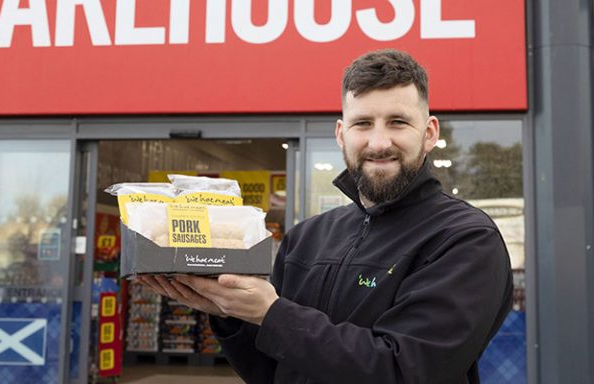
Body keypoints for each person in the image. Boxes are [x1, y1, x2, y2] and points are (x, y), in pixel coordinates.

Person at [139, 49, 513, 383]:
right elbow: (270, 370)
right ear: (341, 134)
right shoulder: (307, 237)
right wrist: (229, 312)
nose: (379, 142)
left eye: (398, 122)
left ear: (429, 132)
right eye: (362, 123)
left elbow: (406, 369)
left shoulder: (464, 239)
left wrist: (272, 315)